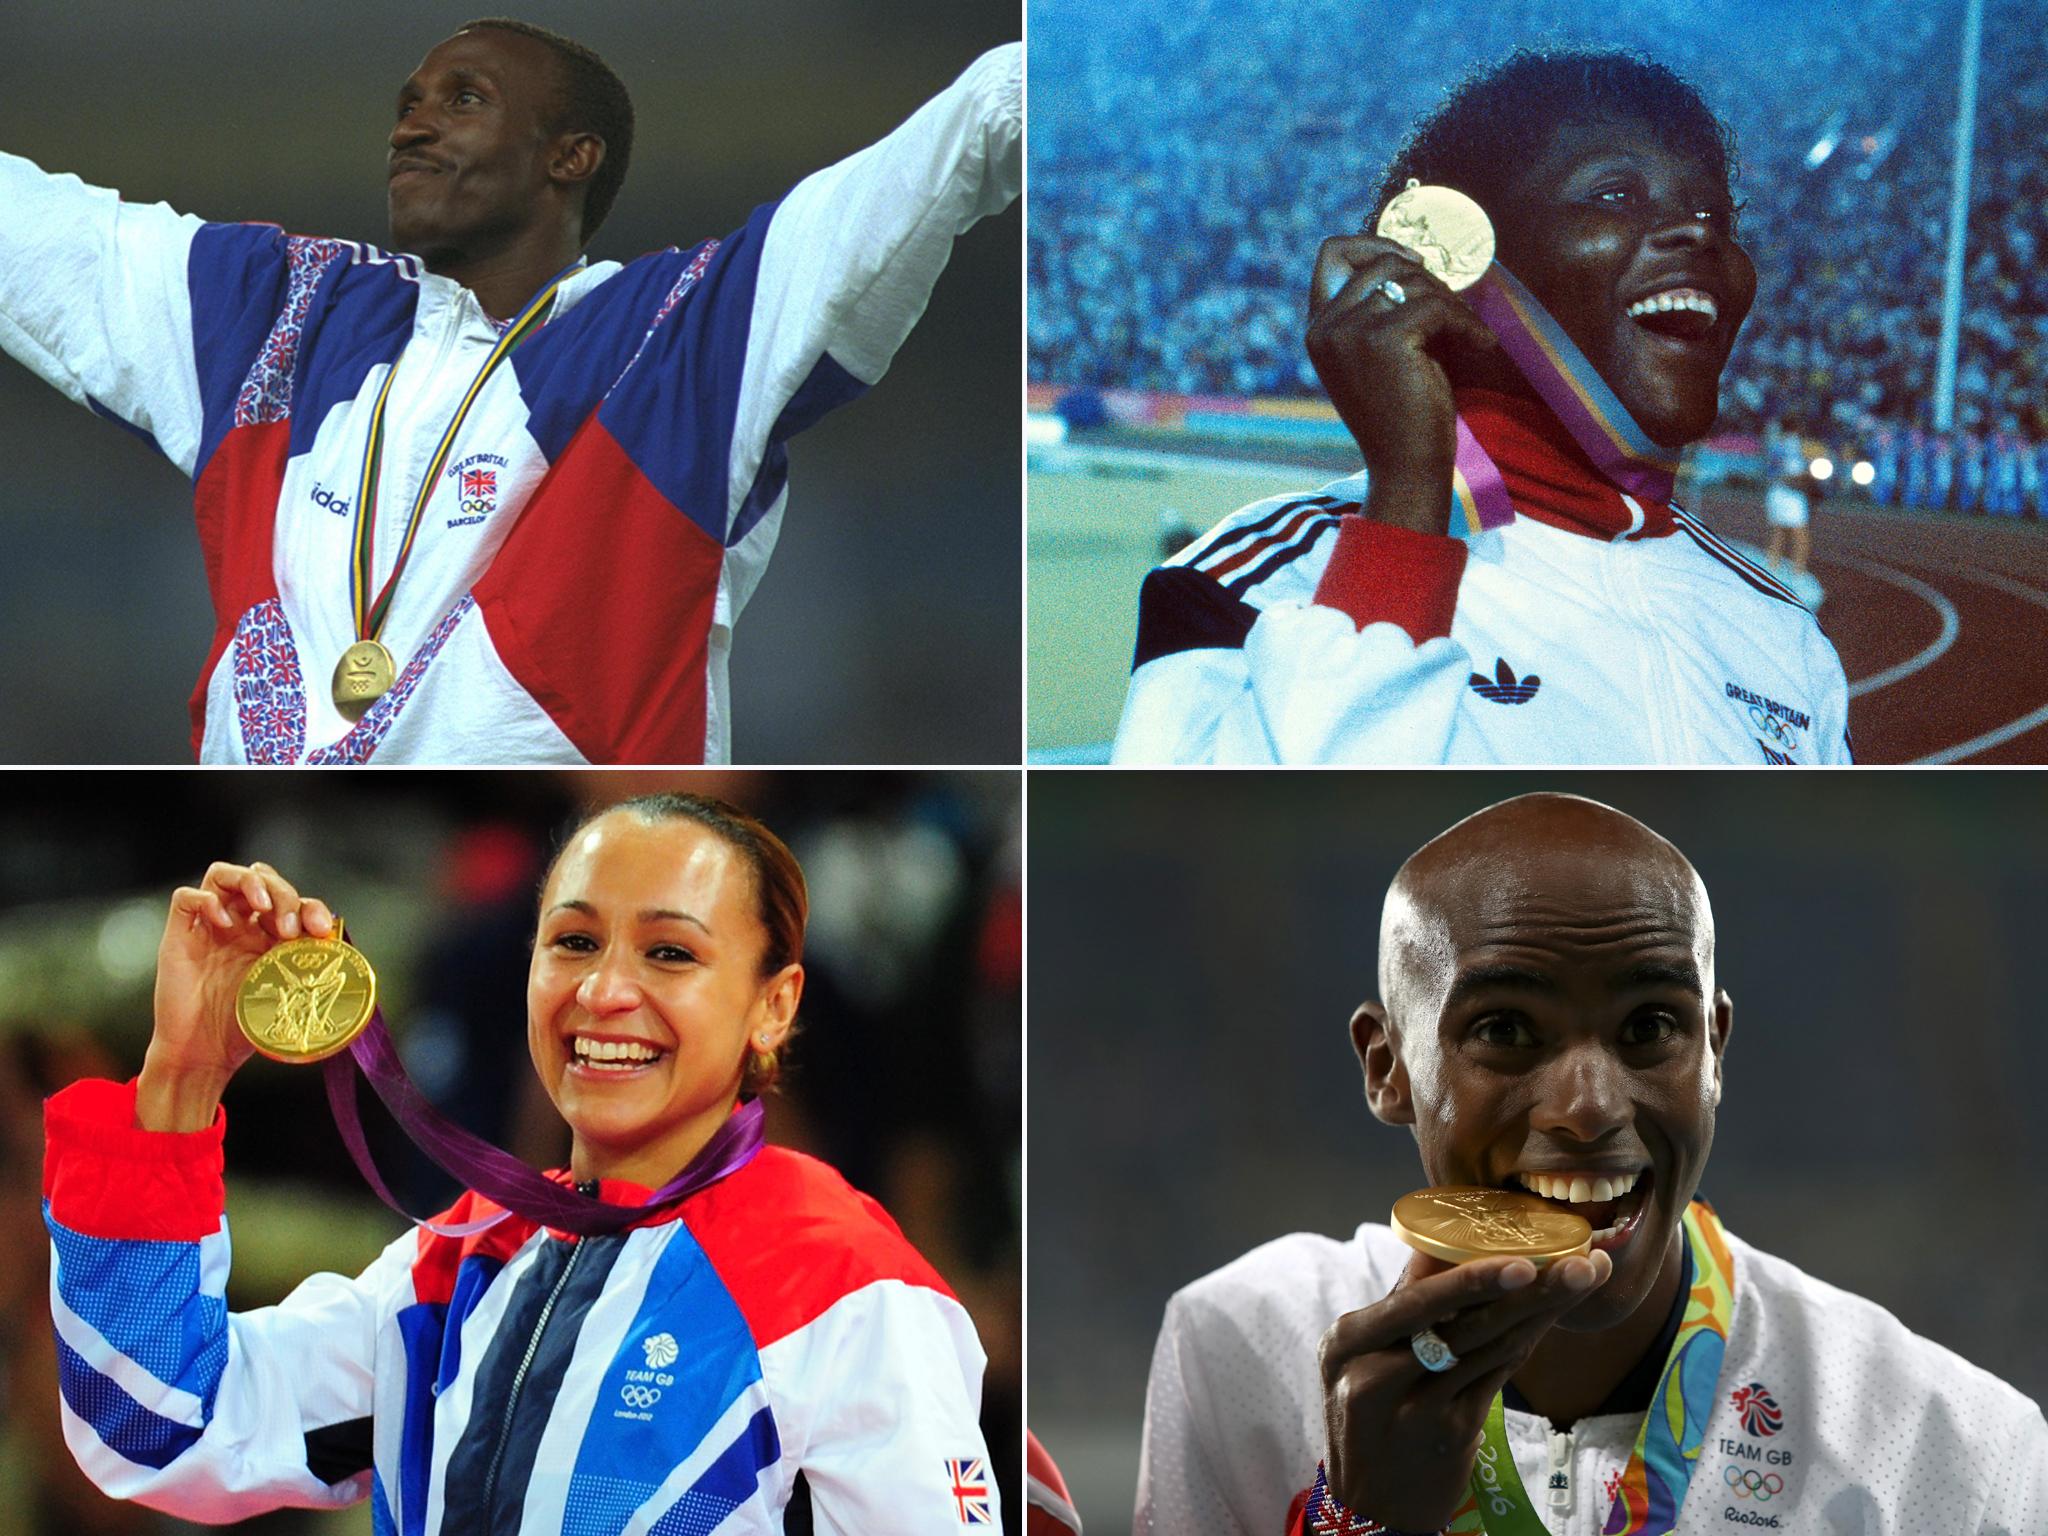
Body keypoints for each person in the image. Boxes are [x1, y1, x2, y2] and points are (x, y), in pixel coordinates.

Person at [0, 20, 1020, 764]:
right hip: (268, 880)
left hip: (571, 888)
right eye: (406, 109)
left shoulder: (682, 335)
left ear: (571, 156)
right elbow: (44, 236)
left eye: (462, 101)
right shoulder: (278, 309)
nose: (410, 129)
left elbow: (965, 131)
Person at [42, 793, 1000, 1531]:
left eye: (670, 953)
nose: (606, 989)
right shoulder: (459, 1264)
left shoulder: (842, 1285)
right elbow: (157, 1427)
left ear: (774, 1005)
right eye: (574, 941)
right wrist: (184, 1072)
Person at [1137, 792, 2047, 1535]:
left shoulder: (1955, 1447)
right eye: (1503, 1029)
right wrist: (1360, 1525)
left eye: (1650, 1027)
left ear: (1715, 1051)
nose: (1586, 1109)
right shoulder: (1239, 1352)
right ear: (1388, 1067)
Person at [1111, 51, 1851, 765]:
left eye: (1717, 214)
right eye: (1615, 194)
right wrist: (1407, 499)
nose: (1700, 232)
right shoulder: (1254, 585)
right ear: (1453, 257)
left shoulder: (1780, 634)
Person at [1761, 422, 1810, 575]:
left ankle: (1772, 567)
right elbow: (1793, 473)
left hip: (1775, 492)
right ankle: (1798, 572)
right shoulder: (1792, 444)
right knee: (1801, 536)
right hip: (1789, 494)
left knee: (1778, 533)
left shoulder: (1776, 444)